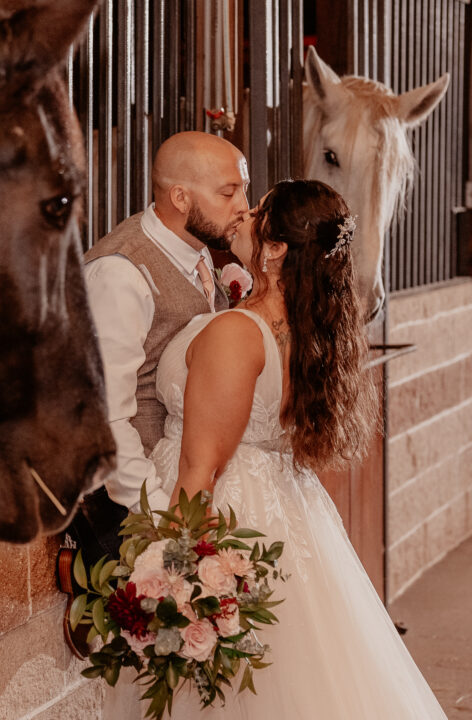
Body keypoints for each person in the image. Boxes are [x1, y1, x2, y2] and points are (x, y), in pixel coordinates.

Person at [153, 179, 446, 717]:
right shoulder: (310, 328)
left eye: (259, 209)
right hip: (286, 512)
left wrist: (172, 578)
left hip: (225, 519)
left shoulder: (238, 334)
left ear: (276, 248)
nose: (244, 211)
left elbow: (200, 469)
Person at [66, 131, 250, 567]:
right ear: (181, 198)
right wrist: (162, 519)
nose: (244, 205)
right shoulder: (120, 274)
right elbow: (106, 419)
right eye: (229, 192)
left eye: (243, 188)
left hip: (187, 486)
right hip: (134, 512)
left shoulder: (202, 256)